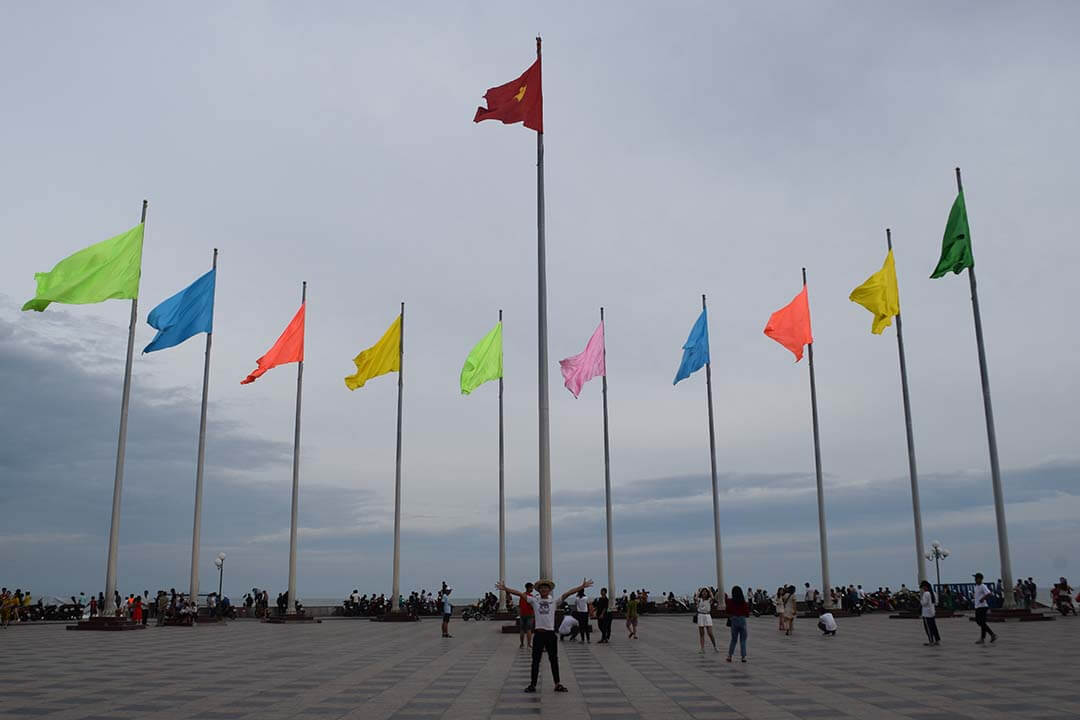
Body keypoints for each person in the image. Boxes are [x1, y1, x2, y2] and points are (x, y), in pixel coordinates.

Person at [497, 577, 593, 694]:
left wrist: (581, 587)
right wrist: (506, 589)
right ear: (539, 590)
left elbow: (567, 593)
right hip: (538, 635)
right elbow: (519, 594)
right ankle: (533, 684)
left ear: (549, 590)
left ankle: (557, 684)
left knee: (554, 660)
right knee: (535, 661)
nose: (544, 590)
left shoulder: (554, 601)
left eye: (546, 588)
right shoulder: (534, 601)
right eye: (542, 588)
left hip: (550, 635)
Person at [725, 586, 750, 662]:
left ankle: (729, 656)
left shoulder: (730, 601)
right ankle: (743, 657)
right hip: (742, 620)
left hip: (734, 620)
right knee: (743, 640)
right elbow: (747, 613)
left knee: (733, 639)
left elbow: (727, 611)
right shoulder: (743, 602)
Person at [973, 573, 998, 644]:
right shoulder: (976, 586)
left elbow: (989, 593)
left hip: (982, 607)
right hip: (978, 606)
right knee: (980, 622)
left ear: (980, 579)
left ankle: (985, 637)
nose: (975, 579)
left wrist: (983, 598)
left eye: (976, 578)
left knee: (981, 622)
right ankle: (990, 635)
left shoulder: (983, 586)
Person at [695, 588, 719, 653]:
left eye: (705, 592)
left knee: (710, 633)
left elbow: (713, 597)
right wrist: (698, 591)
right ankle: (702, 648)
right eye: (703, 592)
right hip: (700, 615)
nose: (704, 593)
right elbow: (696, 598)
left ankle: (715, 646)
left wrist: (710, 591)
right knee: (701, 633)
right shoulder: (699, 600)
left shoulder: (709, 600)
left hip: (707, 615)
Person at [919, 580, 941, 646]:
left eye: (923, 588)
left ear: (925, 587)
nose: (923, 589)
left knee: (928, 628)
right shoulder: (933, 593)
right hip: (932, 612)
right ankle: (937, 640)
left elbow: (924, 603)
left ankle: (931, 641)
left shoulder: (926, 594)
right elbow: (936, 602)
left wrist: (920, 601)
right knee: (934, 627)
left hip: (926, 613)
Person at [518, 582, 535, 649]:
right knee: (529, 630)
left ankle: (522, 644)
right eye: (532, 588)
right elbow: (532, 606)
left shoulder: (522, 595)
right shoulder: (530, 597)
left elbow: (520, 606)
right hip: (530, 615)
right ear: (528, 588)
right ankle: (529, 644)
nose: (532, 589)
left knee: (522, 630)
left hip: (522, 614)